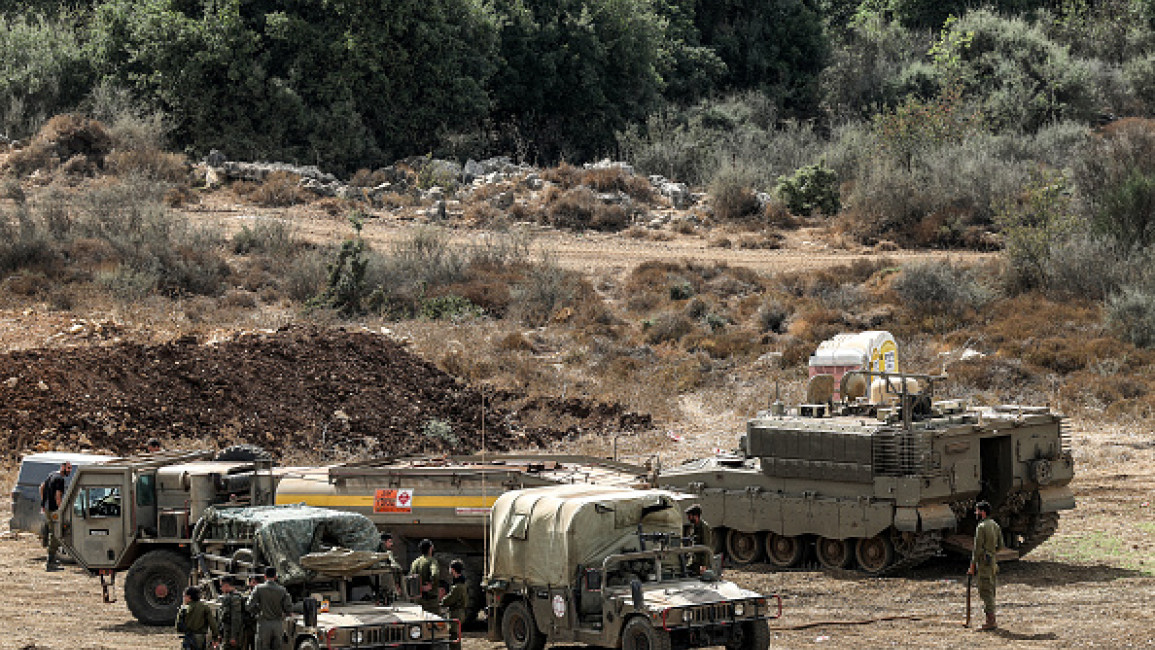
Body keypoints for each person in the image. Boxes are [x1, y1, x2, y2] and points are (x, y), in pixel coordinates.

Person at [968, 500, 1003, 631]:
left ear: (982, 512)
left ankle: (990, 621)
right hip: (992, 562)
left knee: (985, 591)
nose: (975, 513)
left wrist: (972, 566)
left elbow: (976, 550)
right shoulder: (995, 525)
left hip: (984, 564)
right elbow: (1001, 545)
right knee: (991, 590)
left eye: (977, 510)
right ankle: (991, 619)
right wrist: (991, 553)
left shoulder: (981, 527)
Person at [247, 566, 292, 650]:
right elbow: (288, 608)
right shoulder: (282, 590)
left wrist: (258, 612)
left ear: (265, 576)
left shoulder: (259, 588)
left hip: (263, 624)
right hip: (278, 625)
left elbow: (249, 605)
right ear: (275, 576)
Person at [39, 461, 72, 571]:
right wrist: (61, 510)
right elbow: (58, 496)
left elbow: (41, 487)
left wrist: (43, 503)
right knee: (56, 534)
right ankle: (50, 562)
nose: (69, 471)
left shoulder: (51, 475)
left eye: (70, 468)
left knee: (53, 533)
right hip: (54, 510)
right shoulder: (60, 479)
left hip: (48, 508)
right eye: (68, 468)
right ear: (62, 467)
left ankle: (52, 560)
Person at [176, 585, 220, 650]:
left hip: (188, 637)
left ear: (189, 597)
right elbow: (213, 624)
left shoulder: (183, 608)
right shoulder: (205, 607)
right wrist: (215, 637)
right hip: (200, 638)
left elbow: (178, 625)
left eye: (184, 596)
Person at [410, 539, 441, 614]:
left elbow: (411, 578)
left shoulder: (415, 562)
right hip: (430, 601)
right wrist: (431, 584)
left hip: (418, 600)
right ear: (430, 549)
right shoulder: (432, 561)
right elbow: (435, 574)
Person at [217, 576, 247, 648]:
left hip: (231, 633)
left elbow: (236, 618)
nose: (221, 588)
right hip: (226, 631)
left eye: (221, 586)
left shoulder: (235, 598)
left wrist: (234, 636)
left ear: (226, 585)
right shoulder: (227, 597)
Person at [683, 504, 713, 574]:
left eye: (689, 516)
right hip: (695, 560)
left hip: (700, 563)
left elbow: (706, 546)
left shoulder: (704, 527)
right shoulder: (694, 527)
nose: (688, 518)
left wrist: (704, 565)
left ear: (695, 516)